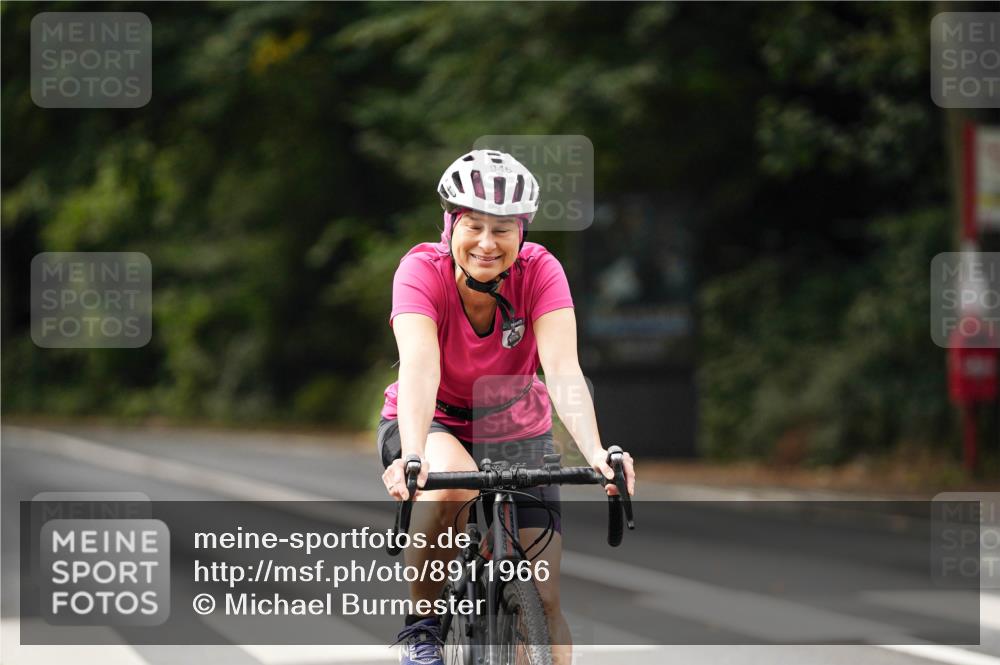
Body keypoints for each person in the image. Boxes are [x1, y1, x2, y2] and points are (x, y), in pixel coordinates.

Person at [378, 148, 636, 665]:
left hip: (517, 425)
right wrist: (412, 455)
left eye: (504, 228)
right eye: (474, 226)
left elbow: (563, 370)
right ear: (451, 225)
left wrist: (597, 453)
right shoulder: (420, 271)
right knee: (453, 477)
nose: (487, 243)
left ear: (523, 231)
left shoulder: (542, 271)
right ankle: (422, 631)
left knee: (543, 598)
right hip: (434, 420)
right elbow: (420, 367)